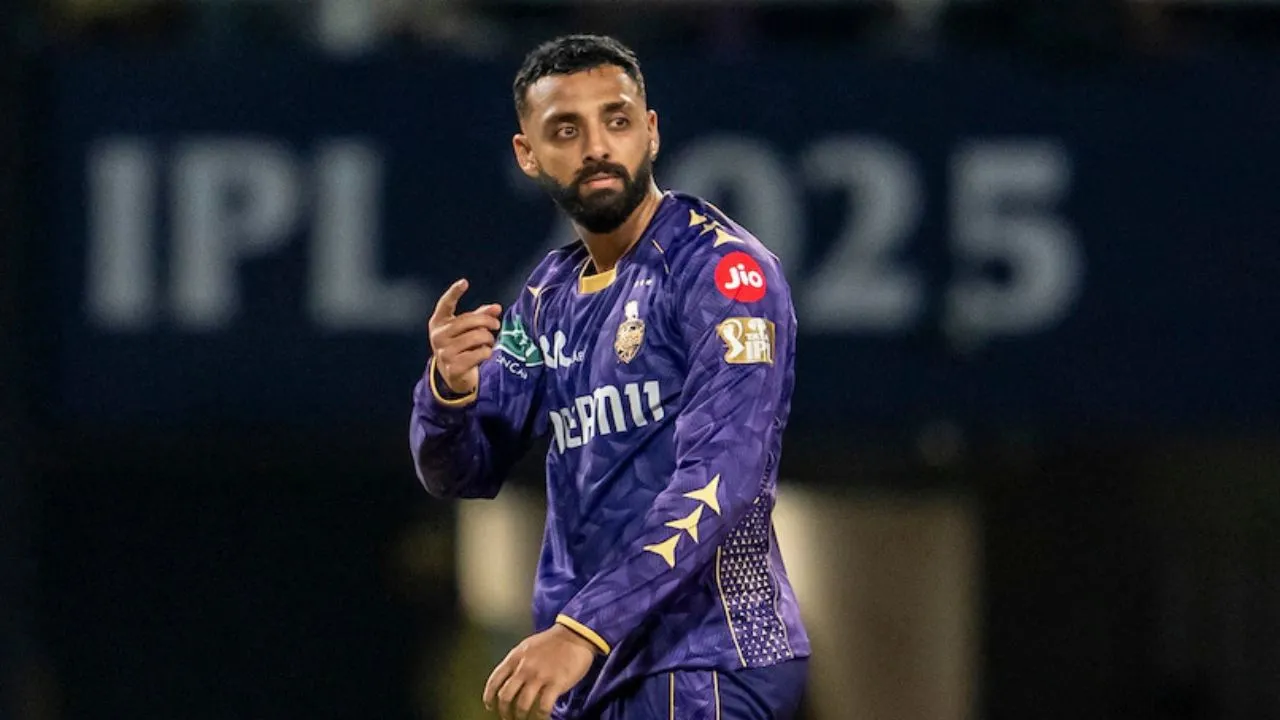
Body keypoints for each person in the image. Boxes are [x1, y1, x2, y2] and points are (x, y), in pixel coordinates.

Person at [410, 34, 809, 720]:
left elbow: (724, 476)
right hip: (594, 668)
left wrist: (582, 629)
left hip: (705, 656)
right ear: (527, 154)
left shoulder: (722, 273)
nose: (596, 146)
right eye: (566, 129)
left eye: (616, 120)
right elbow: (464, 471)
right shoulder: (548, 295)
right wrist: (448, 393)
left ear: (650, 132)